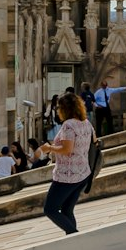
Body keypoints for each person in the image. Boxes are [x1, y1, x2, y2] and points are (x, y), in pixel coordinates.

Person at [39, 90, 95, 234]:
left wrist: (49, 148)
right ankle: (73, 237)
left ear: (65, 108)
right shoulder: (86, 122)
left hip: (67, 175)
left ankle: (75, 235)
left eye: (58, 107)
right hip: (82, 174)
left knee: (50, 209)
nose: (57, 110)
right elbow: (95, 141)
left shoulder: (68, 125)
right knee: (66, 210)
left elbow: (67, 149)